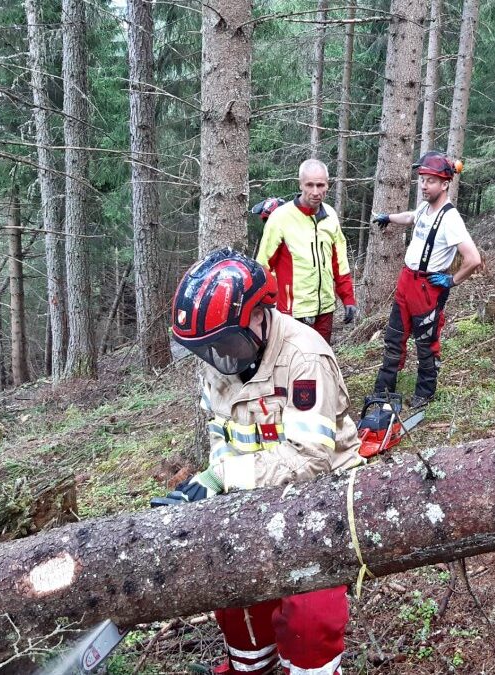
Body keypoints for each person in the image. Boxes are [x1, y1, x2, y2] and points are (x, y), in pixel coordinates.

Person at [162, 248, 362, 675]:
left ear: (258, 316)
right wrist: (215, 487)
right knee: (237, 602)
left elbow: (310, 461)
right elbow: (221, 430)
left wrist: (222, 476)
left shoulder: (304, 358)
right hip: (252, 492)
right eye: (208, 348)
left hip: (319, 498)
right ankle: (250, 666)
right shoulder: (219, 358)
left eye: (225, 344)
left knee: (311, 619)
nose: (218, 358)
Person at [370, 152, 482, 409]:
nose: (423, 185)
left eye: (430, 181)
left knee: (426, 342)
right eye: (422, 179)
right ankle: (383, 389)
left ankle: (425, 392)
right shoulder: (425, 207)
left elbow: (473, 259)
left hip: (427, 288)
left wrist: (452, 281)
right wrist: (388, 217)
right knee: (394, 337)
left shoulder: (450, 218)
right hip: (406, 282)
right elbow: (410, 217)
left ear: (444, 184)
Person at [256, 159, 358, 344]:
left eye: (321, 185)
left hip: (325, 308)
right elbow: (264, 265)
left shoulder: (330, 215)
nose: (315, 192)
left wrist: (348, 298)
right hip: (291, 311)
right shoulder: (281, 217)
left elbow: (340, 262)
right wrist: (266, 306)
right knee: (293, 363)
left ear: (328, 184)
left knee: (321, 358)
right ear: (300, 184)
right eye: (310, 185)